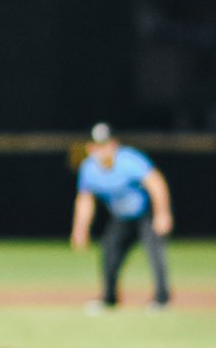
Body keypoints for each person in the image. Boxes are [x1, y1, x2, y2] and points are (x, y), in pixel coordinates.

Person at [69, 122, 173, 310]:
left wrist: (162, 214)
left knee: (155, 253)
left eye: (106, 144)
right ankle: (109, 298)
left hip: (144, 214)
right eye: (97, 145)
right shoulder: (89, 168)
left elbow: (156, 183)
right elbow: (85, 200)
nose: (102, 150)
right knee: (109, 249)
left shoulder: (129, 160)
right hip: (121, 218)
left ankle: (161, 299)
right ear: (90, 148)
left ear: (114, 144)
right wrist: (80, 229)